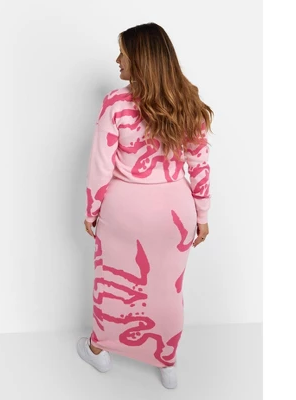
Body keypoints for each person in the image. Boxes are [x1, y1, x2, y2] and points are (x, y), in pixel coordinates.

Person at [76, 22, 213, 389]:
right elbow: (199, 165)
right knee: (168, 288)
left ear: (140, 58)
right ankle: (167, 361)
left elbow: (101, 165)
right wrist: (202, 215)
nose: (117, 60)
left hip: (124, 212)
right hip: (175, 213)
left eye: (123, 53)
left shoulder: (116, 103)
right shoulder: (188, 100)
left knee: (113, 281)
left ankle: (99, 349)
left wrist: (91, 210)